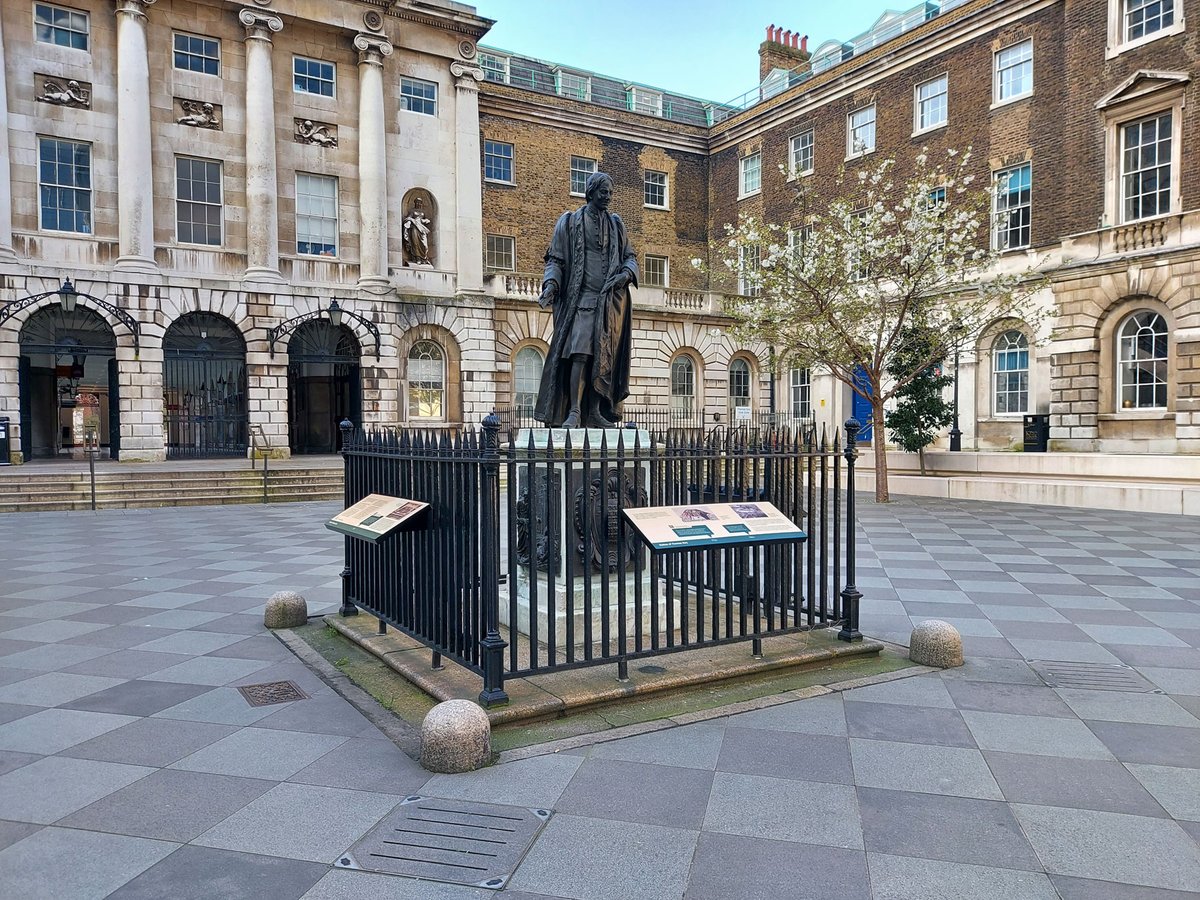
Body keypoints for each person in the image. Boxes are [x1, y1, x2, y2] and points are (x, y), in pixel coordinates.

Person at [534, 172, 638, 428]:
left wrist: (625, 274)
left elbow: (630, 257)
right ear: (591, 192)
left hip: (609, 305)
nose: (608, 197)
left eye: (611, 193)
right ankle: (574, 411)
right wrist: (551, 284)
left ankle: (595, 411)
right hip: (580, 301)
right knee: (579, 354)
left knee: (601, 359)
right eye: (604, 192)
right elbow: (555, 260)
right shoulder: (569, 222)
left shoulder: (616, 224)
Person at [403, 197, 433, 266]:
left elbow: (424, 220)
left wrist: (426, 221)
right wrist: (411, 220)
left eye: (420, 202)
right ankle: (418, 258)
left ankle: (424, 258)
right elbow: (407, 218)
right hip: (415, 228)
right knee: (415, 243)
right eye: (417, 202)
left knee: (425, 245)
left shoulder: (423, 212)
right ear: (415, 203)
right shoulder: (412, 211)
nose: (418, 203)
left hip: (422, 229)